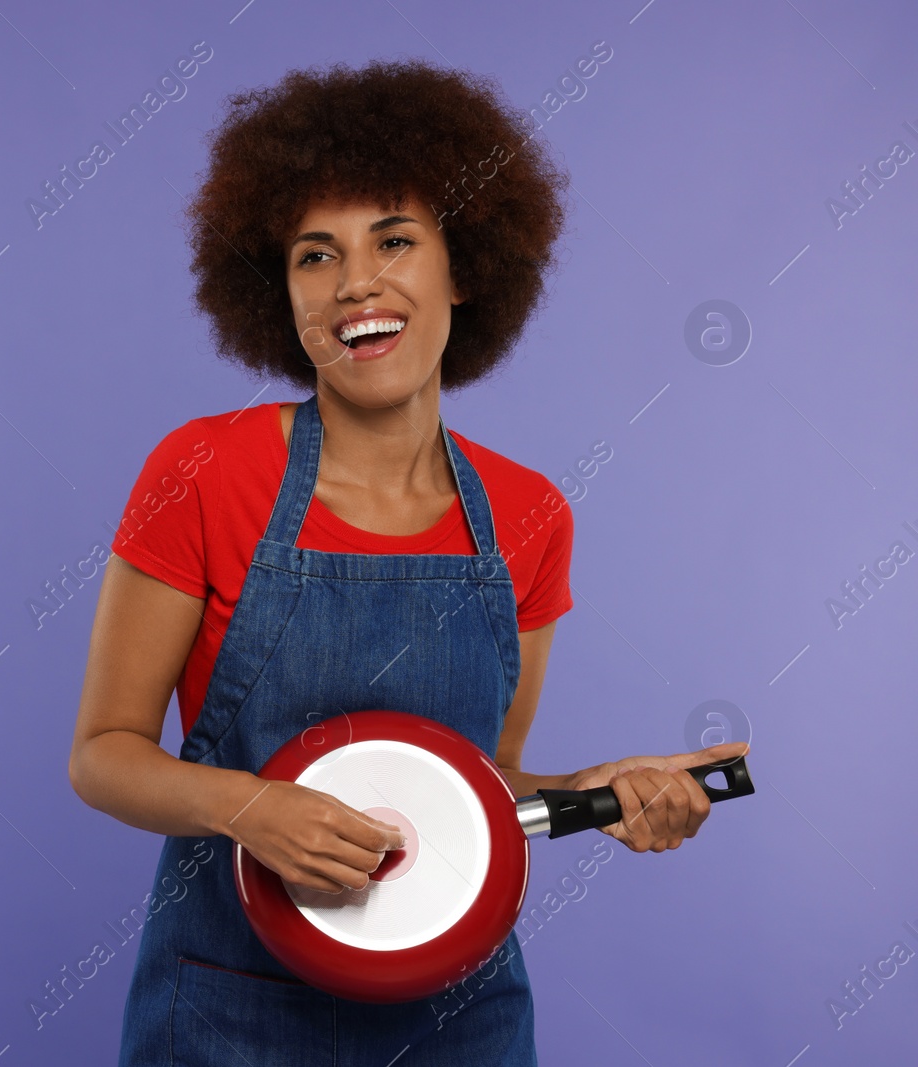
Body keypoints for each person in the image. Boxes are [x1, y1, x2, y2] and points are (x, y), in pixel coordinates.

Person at [67, 58, 748, 1065]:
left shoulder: (527, 513)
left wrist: (599, 786)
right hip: (227, 1004)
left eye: (394, 240)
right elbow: (105, 752)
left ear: (463, 265)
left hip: (454, 1019)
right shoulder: (203, 469)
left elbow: (481, 786)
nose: (355, 284)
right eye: (313, 254)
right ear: (277, 289)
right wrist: (249, 804)